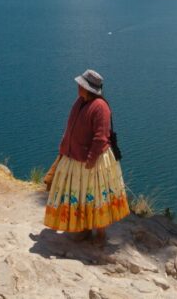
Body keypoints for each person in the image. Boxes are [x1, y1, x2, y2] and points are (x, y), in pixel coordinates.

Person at [43, 69, 130, 244]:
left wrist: (91, 159)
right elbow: (71, 127)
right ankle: (84, 229)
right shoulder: (80, 102)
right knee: (82, 196)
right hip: (75, 158)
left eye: (81, 85)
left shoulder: (100, 107)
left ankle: (100, 234)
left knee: (96, 196)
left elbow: (100, 137)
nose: (78, 87)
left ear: (88, 88)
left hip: (94, 162)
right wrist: (64, 147)